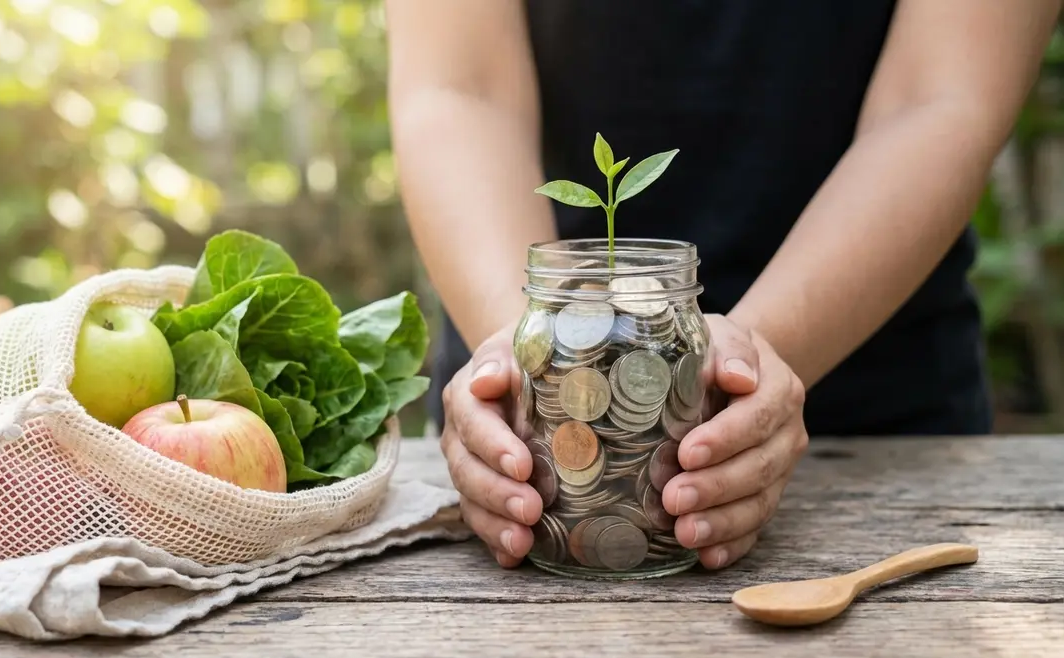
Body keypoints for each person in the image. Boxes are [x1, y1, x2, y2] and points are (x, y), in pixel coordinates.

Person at [383, 0, 1061, 570]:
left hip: (881, 445)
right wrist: (532, 361)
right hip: (530, 442)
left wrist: (744, 367)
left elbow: (940, 95)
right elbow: (457, 87)